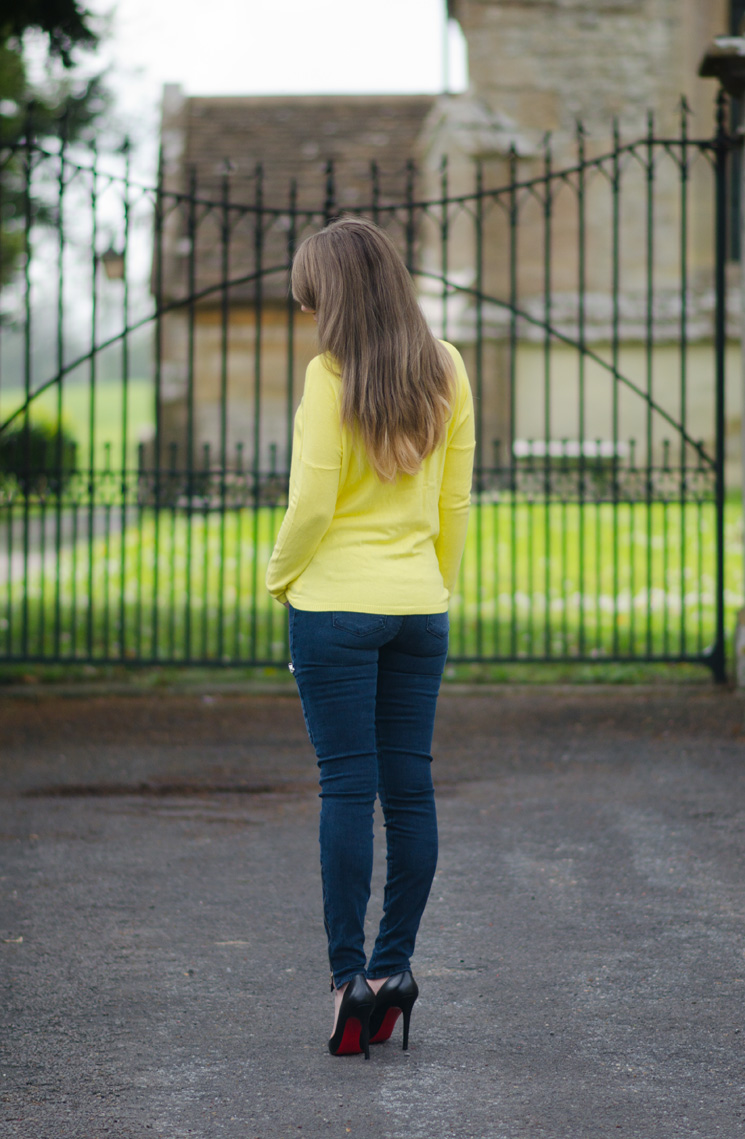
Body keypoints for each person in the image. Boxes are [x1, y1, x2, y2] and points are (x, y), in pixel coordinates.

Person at [265, 216, 475, 1058]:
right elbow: (455, 502)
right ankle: (395, 972)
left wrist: (280, 578)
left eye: (312, 296)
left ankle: (347, 981)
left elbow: (312, 507)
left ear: (334, 296)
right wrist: (435, 585)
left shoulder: (329, 375)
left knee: (346, 791)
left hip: (334, 610)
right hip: (418, 605)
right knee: (411, 792)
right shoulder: (447, 365)